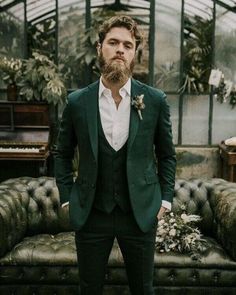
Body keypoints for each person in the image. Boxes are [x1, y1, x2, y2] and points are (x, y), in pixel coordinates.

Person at [54, 15, 176, 295]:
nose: (120, 49)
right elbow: (62, 155)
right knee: (89, 287)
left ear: (135, 53)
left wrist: (165, 200)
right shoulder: (77, 101)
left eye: (128, 45)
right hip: (92, 211)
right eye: (113, 42)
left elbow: (167, 155)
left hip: (140, 212)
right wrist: (66, 198)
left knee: (143, 288)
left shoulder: (155, 100)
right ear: (100, 48)